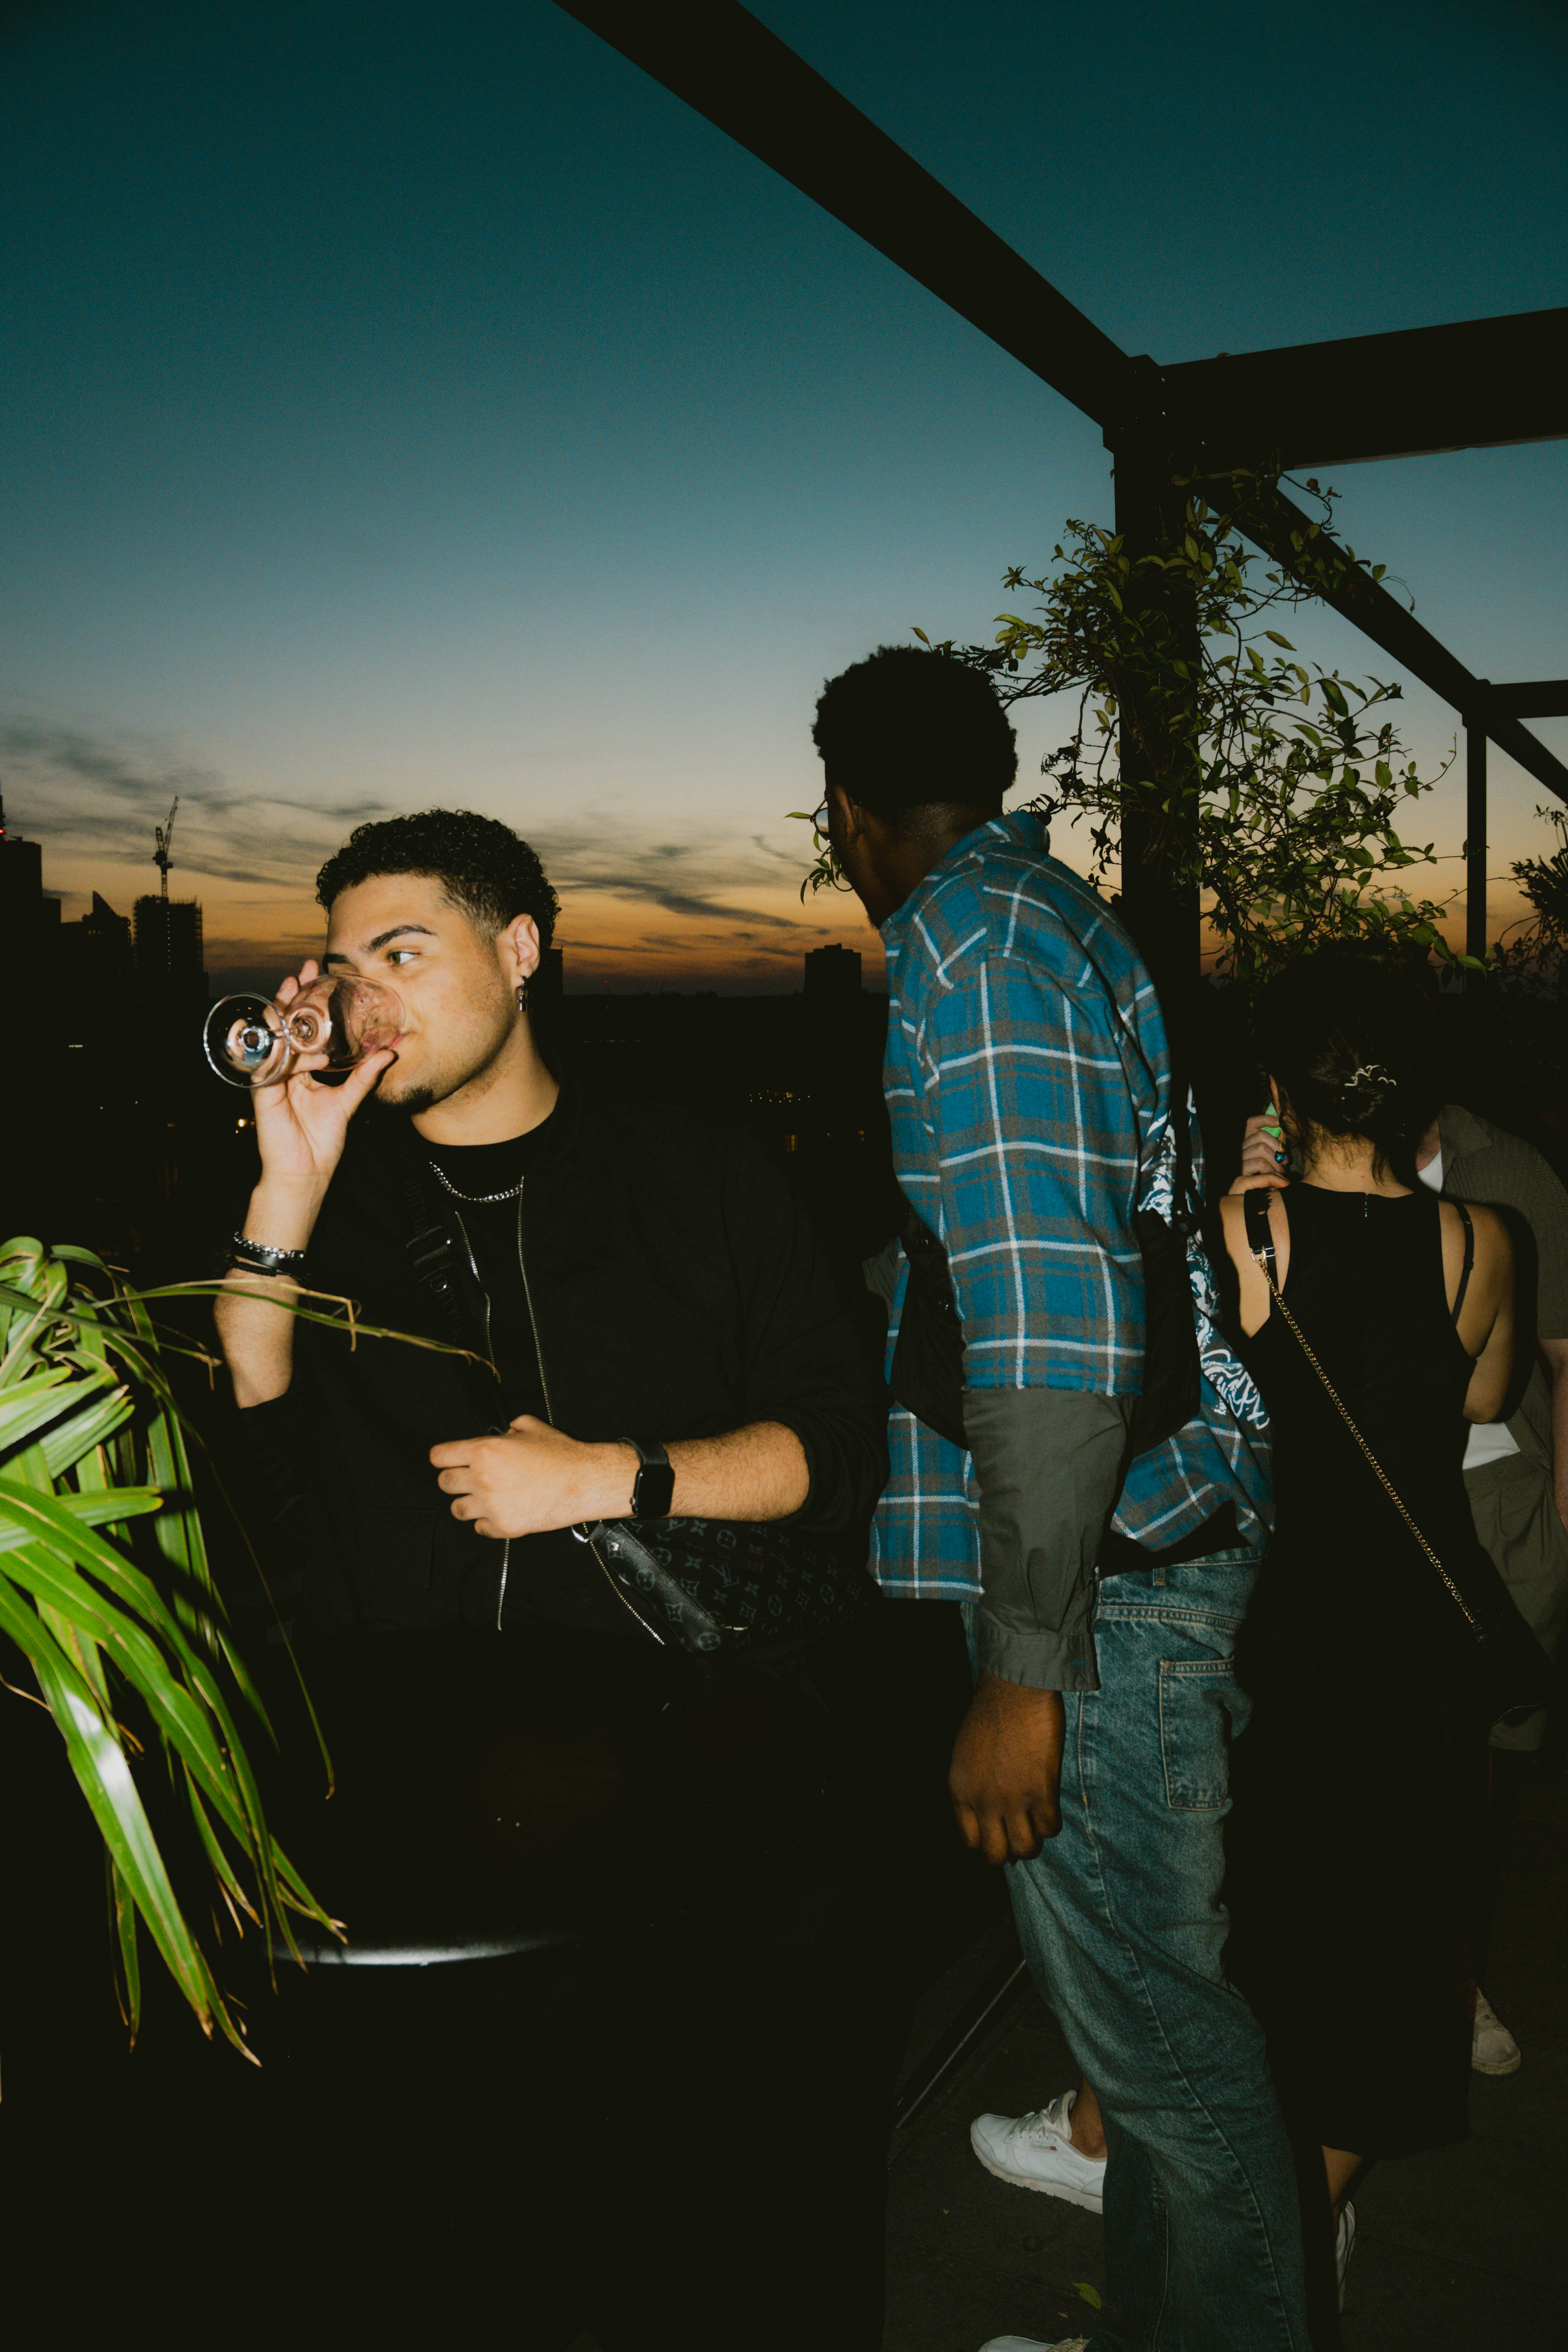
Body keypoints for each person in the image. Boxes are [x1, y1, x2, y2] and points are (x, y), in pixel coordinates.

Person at [207, 808, 905, 2350]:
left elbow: (837, 1448)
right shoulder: (337, 1210)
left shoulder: (696, 1170)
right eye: (342, 962)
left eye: (405, 952)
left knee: (687, 2242)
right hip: (422, 1817)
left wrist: (611, 1476)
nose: (364, 993)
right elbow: (252, 1479)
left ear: (519, 951)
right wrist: (284, 1192)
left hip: (686, 1792)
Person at [814, 645, 1312, 2352]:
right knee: (1153, 2042)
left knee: (1167, 2057)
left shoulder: (969, 948)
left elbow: (1047, 1317)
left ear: (846, 812)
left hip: (1101, 1590)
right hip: (1141, 1542)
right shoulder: (1059, 919)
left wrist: (1025, 1669)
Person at [1211, 944, 1545, 2325]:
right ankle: (1319, 2203)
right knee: (1402, 1917)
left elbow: (1236, 1389)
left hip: (1297, 1626)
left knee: (1278, 1922)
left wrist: (1257, 1177)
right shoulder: (1487, 1239)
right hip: (1423, 1626)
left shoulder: (1251, 1229)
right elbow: (1482, 1399)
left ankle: (1270, 2237)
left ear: (1285, 1090)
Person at [1236, 1076, 1568, 2073]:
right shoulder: (1451, 1225)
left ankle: (1440, 1984)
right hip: (1393, 1544)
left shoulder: (1500, 1174)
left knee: (1443, 1788)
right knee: (1398, 1802)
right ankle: (1410, 1998)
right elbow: (1479, 1393)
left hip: (1461, 1516)